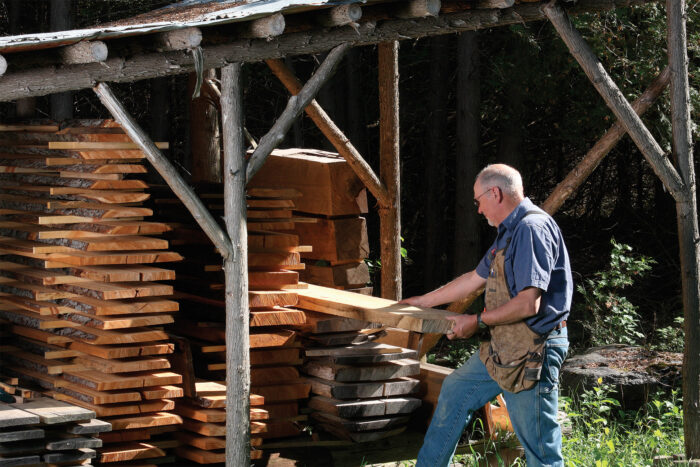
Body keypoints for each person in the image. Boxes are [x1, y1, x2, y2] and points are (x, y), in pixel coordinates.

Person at [401, 164, 572, 467]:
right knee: (456, 389)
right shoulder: (509, 232)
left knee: (540, 451)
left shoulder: (531, 230)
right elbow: (472, 279)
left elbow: (528, 304)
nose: (478, 210)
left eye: (479, 200)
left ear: (496, 193)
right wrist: (423, 301)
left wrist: (475, 322)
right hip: (505, 343)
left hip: (534, 348)